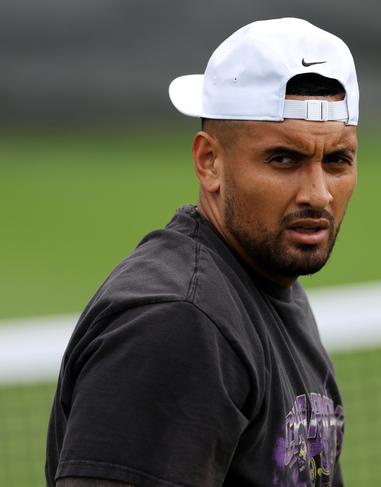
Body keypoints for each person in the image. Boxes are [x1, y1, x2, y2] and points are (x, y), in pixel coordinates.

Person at [45, 17, 359, 487]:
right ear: (209, 162)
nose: (319, 194)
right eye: (283, 159)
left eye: (337, 161)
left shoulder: (268, 283)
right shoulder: (178, 322)